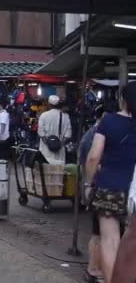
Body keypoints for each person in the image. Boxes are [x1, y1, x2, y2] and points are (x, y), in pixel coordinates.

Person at [86, 82, 136, 283]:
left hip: (109, 187)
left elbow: (93, 156)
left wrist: (89, 183)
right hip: (133, 189)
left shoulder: (109, 121)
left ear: (122, 100)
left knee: (110, 240)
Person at [79, 104, 107, 282]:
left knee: (99, 233)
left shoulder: (94, 134)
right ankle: (98, 270)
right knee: (104, 235)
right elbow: (90, 159)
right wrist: (89, 184)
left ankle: (94, 269)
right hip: (102, 187)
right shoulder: (95, 135)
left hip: (99, 187)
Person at [38, 95, 72, 164]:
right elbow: (68, 134)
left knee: (45, 172)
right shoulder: (66, 116)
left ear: (49, 104)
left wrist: (49, 145)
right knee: (58, 173)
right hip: (59, 155)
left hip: (45, 153)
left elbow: (41, 133)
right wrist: (59, 145)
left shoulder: (44, 115)